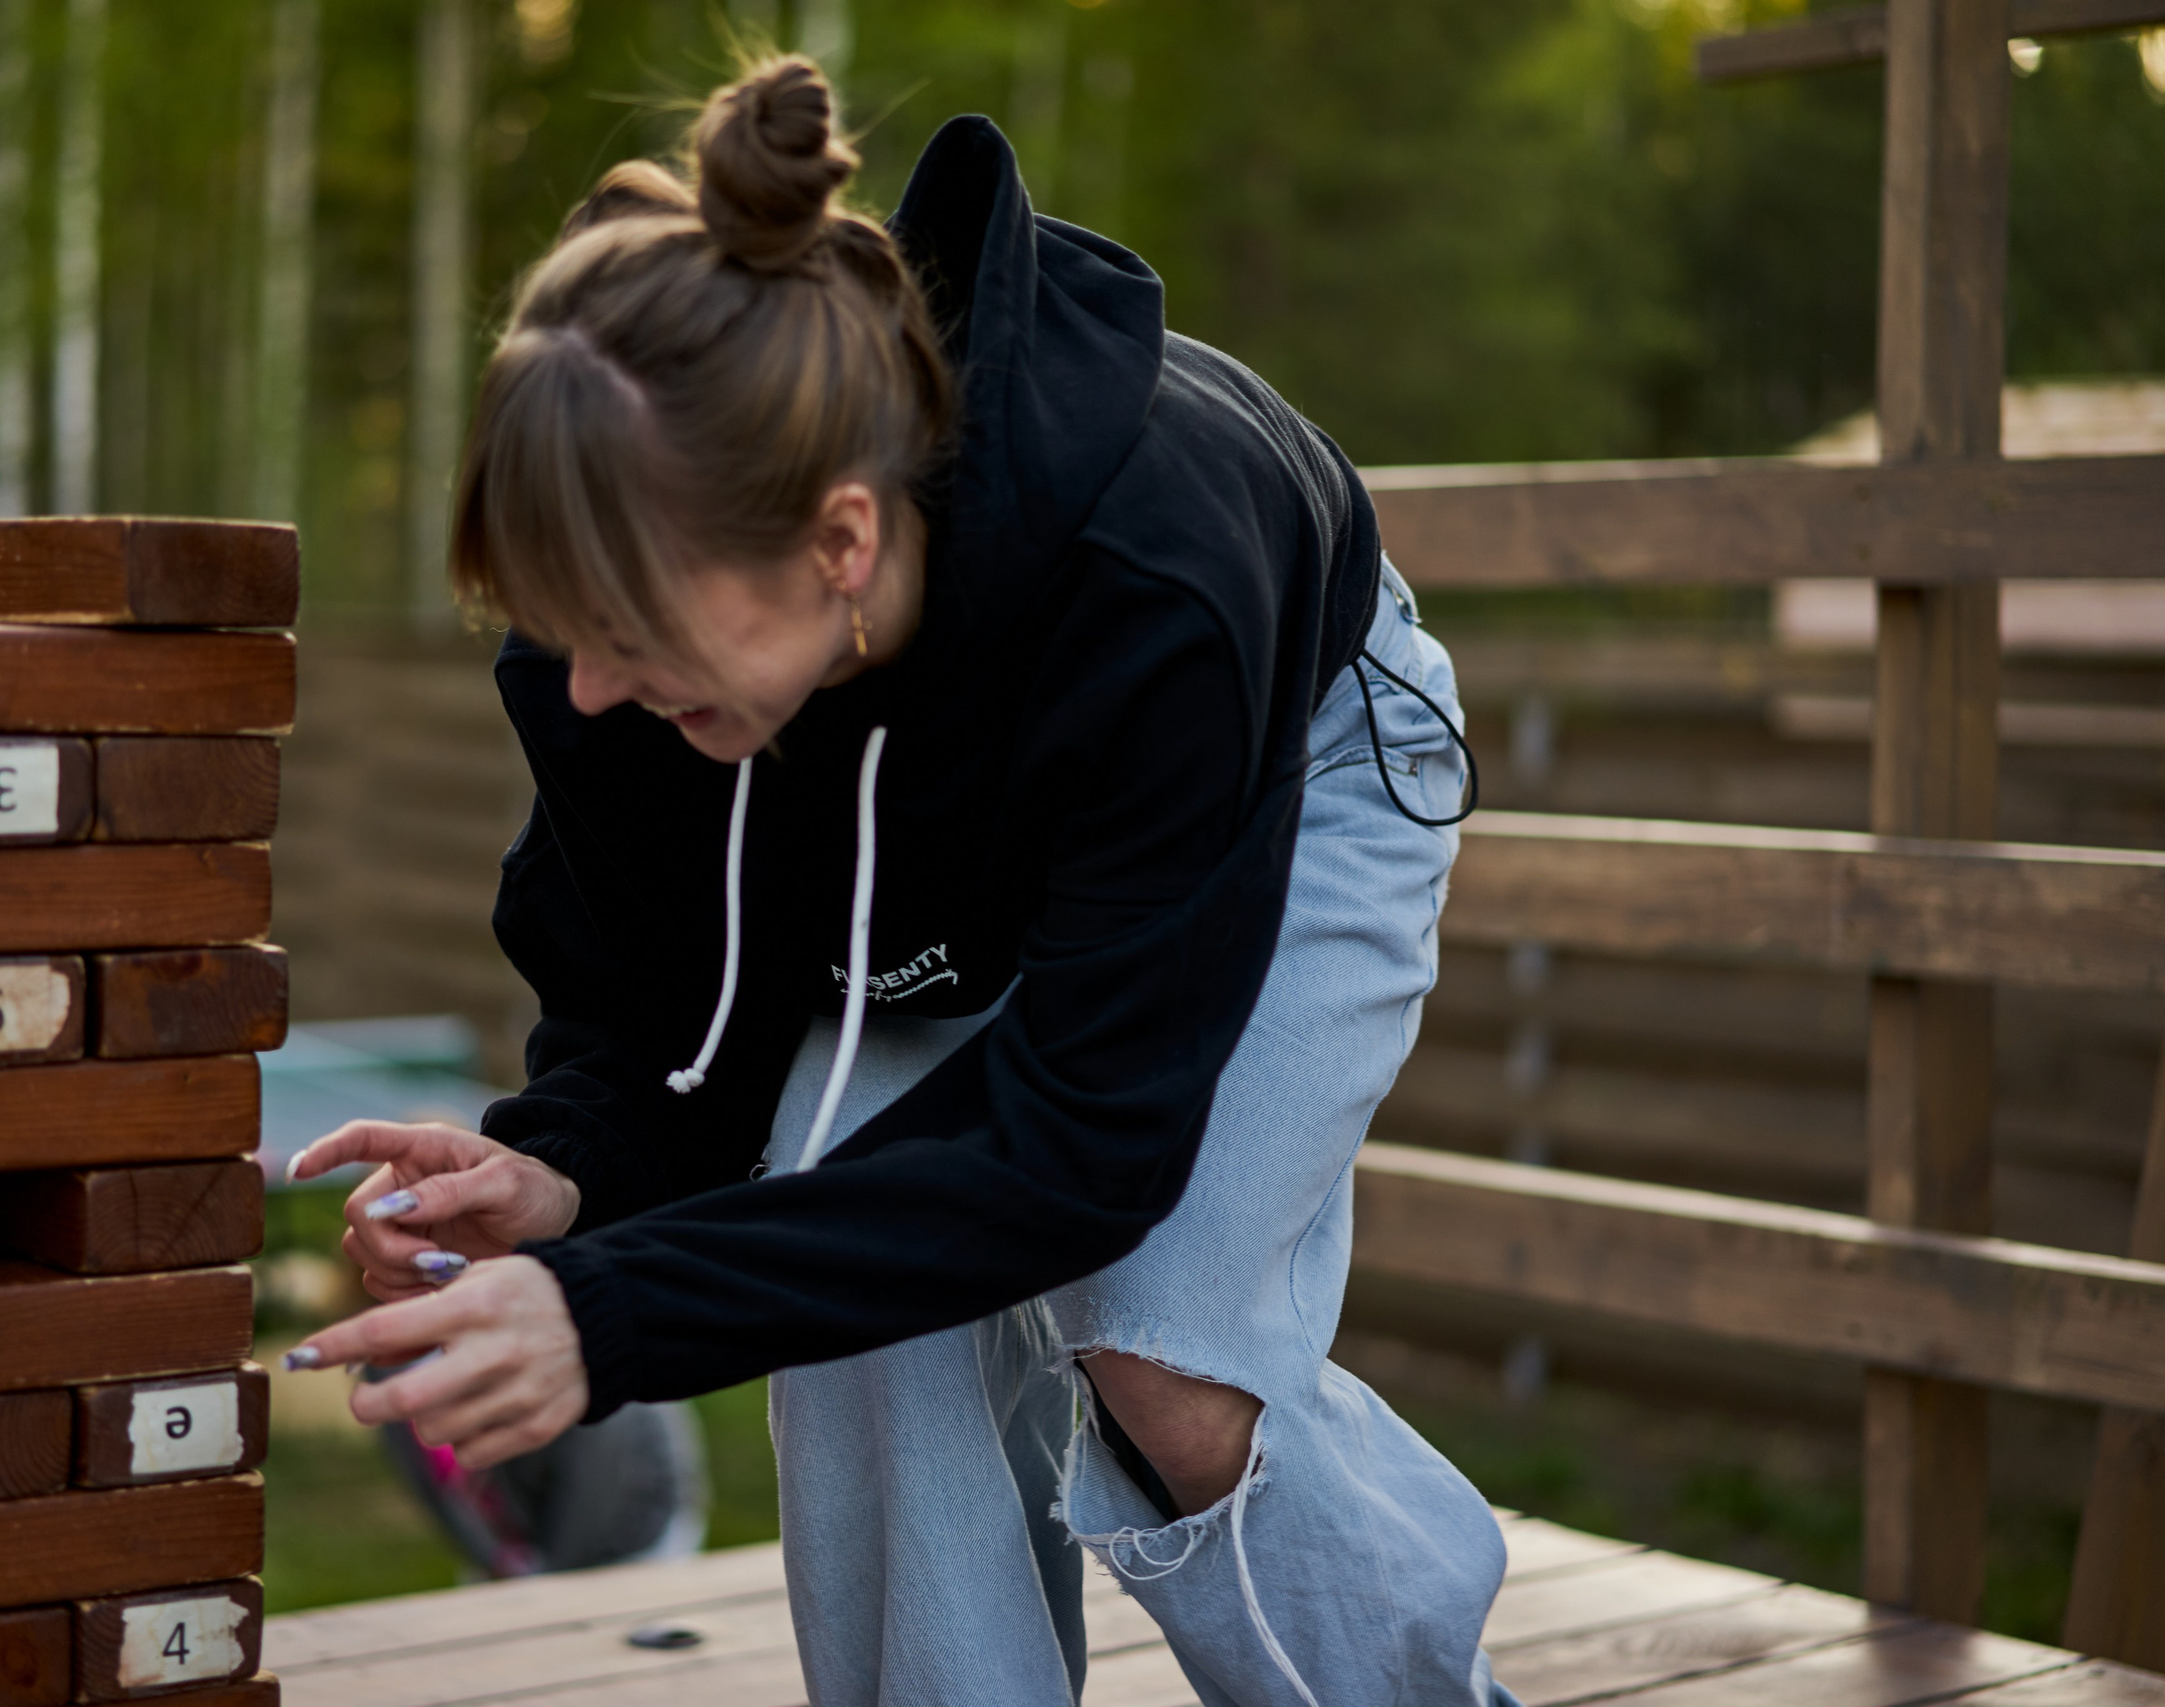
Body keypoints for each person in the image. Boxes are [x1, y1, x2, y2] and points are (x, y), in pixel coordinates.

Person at [284, 55, 1513, 1707]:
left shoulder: (1155, 584)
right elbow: (662, 1011)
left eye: (625, 635)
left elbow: (1080, 1150)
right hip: (941, 803)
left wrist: (609, 1314)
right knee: (856, 1293)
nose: (578, 690)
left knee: (1163, 1341)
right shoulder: (636, 649)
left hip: (1299, 760)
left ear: (841, 547)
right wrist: (565, 1177)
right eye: (559, 629)